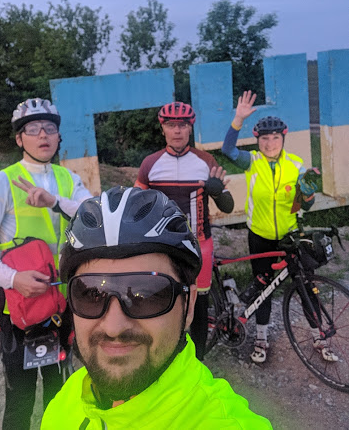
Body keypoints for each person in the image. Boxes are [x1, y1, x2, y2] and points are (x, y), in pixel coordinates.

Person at [41, 186, 272, 429]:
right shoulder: (65, 401)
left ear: (189, 306)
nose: (113, 327)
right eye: (91, 294)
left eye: (145, 295)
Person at [0, 98, 93, 430]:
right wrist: (12, 278)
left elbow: (96, 216)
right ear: (19, 139)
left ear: (59, 136)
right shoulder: (2, 182)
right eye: (33, 129)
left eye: (49, 128)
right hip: (20, 310)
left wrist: (55, 202)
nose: (43, 135)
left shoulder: (69, 179)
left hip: (62, 307)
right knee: (19, 403)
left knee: (60, 399)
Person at [221, 90, 332, 364]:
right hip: (260, 237)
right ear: (257, 140)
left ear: (283, 139)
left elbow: (304, 206)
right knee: (263, 288)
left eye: (275, 138)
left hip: (290, 237)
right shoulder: (252, 162)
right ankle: (261, 338)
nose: (270, 143)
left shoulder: (296, 165)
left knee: (305, 286)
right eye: (264, 138)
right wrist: (238, 119)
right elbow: (227, 150)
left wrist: (307, 194)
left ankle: (319, 336)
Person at [134, 101, 234, 359]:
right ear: (163, 129)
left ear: (190, 128)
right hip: (163, 245)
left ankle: (198, 360)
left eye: (183, 125)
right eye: (171, 125)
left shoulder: (206, 161)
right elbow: (135, 206)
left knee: (198, 304)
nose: (177, 130)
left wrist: (217, 192)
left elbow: (228, 206)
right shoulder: (150, 164)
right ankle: (167, 354)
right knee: (165, 298)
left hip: (200, 243)